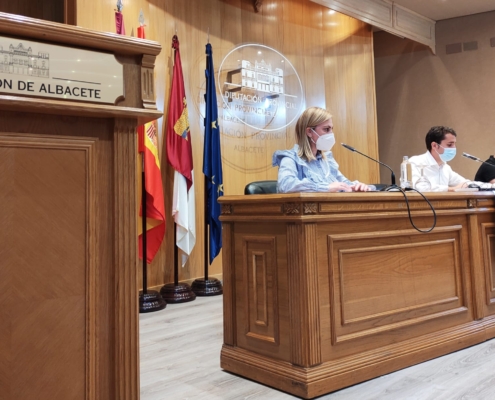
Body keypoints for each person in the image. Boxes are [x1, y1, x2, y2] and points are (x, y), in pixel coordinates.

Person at [272, 106, 372, 193]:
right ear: (309, 132)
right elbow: (285, 185)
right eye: (326, 129)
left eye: (332, 129)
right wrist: (325, 187)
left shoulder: (327, 160)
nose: (331, 134)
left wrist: (357, 187)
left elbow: (344, 184)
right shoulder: (290, 158)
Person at [409, 126, 469, 192]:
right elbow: (418, 188)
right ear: (434, 145)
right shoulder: (414, 162)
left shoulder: (445, 167)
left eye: (454, 144)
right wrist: (452, 189)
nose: (454, 148)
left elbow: (465, 183)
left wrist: (474, 185)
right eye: (449, 145)